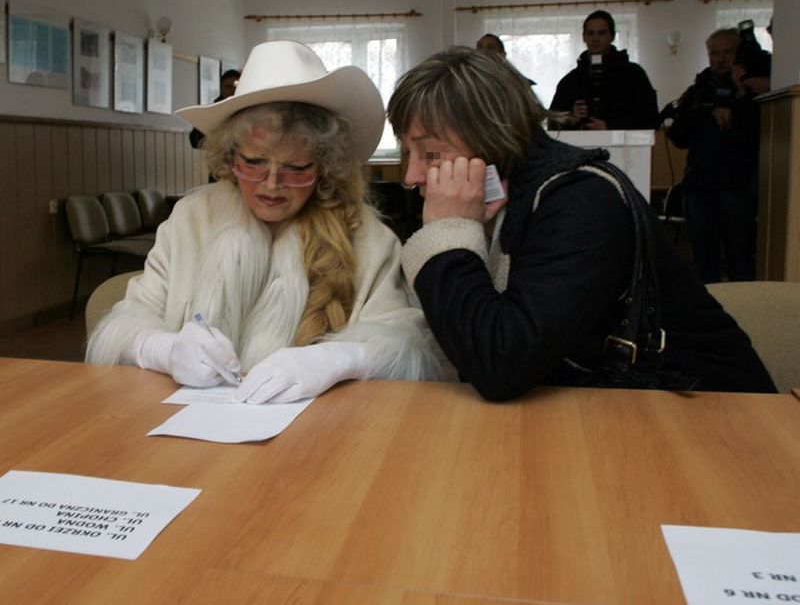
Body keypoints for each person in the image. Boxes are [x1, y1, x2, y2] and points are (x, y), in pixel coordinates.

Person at [387, 46, 775, 401]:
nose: (412, 175)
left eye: (430, 152)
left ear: (489, 137)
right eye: (409, 153)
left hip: (715, 416)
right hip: (614, 410)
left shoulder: (582, 200)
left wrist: (448, 234)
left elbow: (498, 365)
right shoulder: (511, 198)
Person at [87, 41, 443, 402]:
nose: (272, 185)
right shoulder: (190, 220)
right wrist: (162, 347)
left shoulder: (368, 238)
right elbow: (130, 320)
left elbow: (404, 339)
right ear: (229, 158)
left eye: (296, 168)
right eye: (255, 163)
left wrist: (345, 357)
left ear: (324, 168)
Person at [666, 28, 765, 283]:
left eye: (727, 52)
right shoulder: (698, 89)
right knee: (703, 259)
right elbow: (678, 137)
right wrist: (698, 111)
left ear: (738, 54)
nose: (720, 59)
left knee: (739, 257)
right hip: (698, 186)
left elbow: (758, 136)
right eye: (714, 53)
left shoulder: (755, 88)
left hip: (737, 187)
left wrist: (740, 98)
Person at [550, 10, 658, 130]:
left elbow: (651, 119)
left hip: (625, 147)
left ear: (612, 36)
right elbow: (552, 125)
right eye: (590, 33)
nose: (595, 38)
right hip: (578, 147)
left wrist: (610, 126)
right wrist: (572, 119)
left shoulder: (633, 74)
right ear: (584, 37)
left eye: (601, 33)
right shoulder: (570, 81)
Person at [189, 68, 241, 149]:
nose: (233, 91)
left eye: (236, 87)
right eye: (228, 87)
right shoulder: (211, 110)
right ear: (221, 88)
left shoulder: (250, 108)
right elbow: (194, 140)